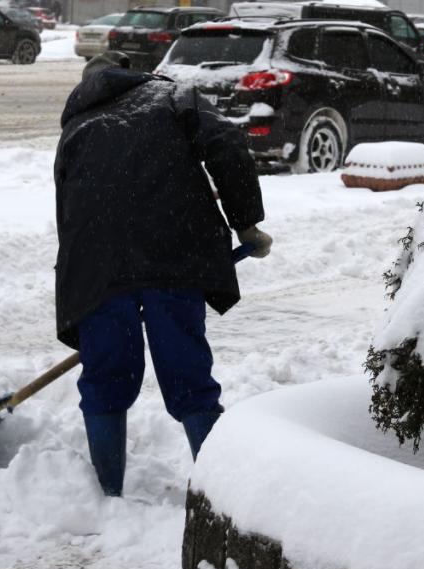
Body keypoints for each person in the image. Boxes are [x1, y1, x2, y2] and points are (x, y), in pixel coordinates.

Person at [53, 52, 271, 497]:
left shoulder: (75, 128)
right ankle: (219, 497)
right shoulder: (172, 96)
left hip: (97, 269)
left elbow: (68, 219)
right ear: (132, 72)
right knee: (188, 373)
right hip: (175, 252)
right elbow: (227, 143)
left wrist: (89, 291)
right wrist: (245, 221)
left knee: (105, 378)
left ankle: (106, 496)